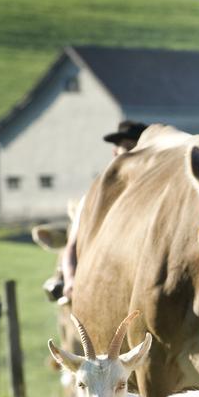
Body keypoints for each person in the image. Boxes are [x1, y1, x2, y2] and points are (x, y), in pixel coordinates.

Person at [57, 120, 146, 302]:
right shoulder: (94, 198)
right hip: (101, 289)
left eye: (138, 149)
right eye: (127, 148)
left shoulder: (154, 196)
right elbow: (72, 247)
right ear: (115, 153)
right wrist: (71, 280)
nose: (132, 156)